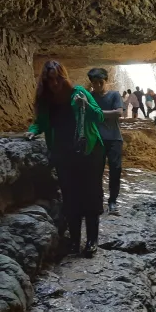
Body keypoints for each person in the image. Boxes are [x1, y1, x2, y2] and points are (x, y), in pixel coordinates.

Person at [26, 60, 104, 257]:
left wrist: (86, 104)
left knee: (91, 195)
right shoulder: (46, 101)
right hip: (63, 154)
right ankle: (75, 241)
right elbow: (40, 123)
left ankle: (92, 240)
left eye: (57, 79)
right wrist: (32, 131)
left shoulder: (78, 92)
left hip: (88, 152)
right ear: (44, 81)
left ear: (64, 78)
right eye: (49, 80)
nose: (54, 84)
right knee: (70, 197)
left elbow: (99, 116)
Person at [88, 68, 123, 215]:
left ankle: (113, 202)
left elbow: (119, 113)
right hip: (96, 140)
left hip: (114, 138)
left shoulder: (114, 95)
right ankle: (98, 202)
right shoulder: (89, 96)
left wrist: (97, 113)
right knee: (96, 172)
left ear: (106, 80)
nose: (98, 85)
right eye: (95, 83)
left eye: (100, 82)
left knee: (115, 170)